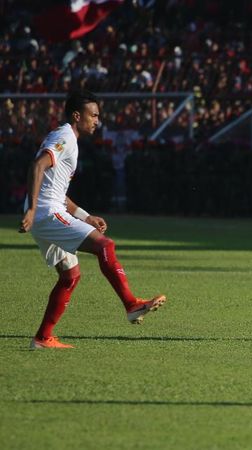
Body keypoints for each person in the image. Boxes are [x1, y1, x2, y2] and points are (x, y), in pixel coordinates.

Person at [19, 90, 166, 350]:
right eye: (93, 115)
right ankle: (131, 304)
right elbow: (37, 166)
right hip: (46, 212)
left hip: (49, 210)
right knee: (105, 246)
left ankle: (42, 339)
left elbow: (57, 191)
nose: (97, 120)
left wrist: (86, 216)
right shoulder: (64, 136)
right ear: (77, 116)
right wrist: (31, 209)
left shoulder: (67, 139)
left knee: (70, 276)